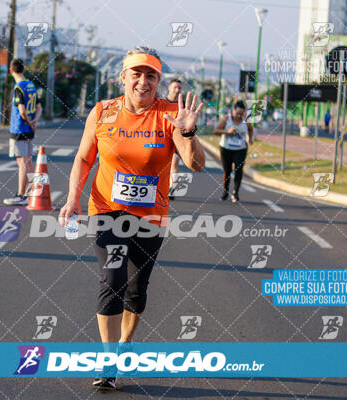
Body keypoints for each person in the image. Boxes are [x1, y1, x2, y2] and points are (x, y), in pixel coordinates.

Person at [58, 46, 205, 390]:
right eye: (136, 74)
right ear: (122, 77)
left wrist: (187, 133)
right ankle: (109, 360)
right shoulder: (104, 111)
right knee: (113, 279)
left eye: (151, 75)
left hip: (151, 215)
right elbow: (83, 158)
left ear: (159, 80)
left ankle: (125, 344)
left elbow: (196, 164)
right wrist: (72, 199)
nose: (143, 81)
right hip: (106, 209)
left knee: (137, 289)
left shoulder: (170, 114)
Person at [3, 58, 43, 206]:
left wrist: (28, 122)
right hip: (30, 129)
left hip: (19, 128)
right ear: (24, 69)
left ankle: (21, 195)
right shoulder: (31, 85)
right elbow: (39, 108)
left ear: (11, 70)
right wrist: (34, 122)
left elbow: (21, 111)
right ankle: (30, 193)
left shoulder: (18, 87)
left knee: (22, 162)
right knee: (28, 161)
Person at [214, 100, 253, 203]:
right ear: (233, 111)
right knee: (227, 171)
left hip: (241, 149)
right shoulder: (227, 119)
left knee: (239, 170)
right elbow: (216, 131)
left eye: (241, 113)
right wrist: (227, 132)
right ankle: (225, 192)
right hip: (226, 148)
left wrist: (251, 138)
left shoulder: (246, 120)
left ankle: (235, 193)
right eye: (237, 113)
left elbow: (250, 129)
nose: (239, 116)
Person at [166, 79, 183, 200]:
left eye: (179, 88)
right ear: (169, 87)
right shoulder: (161, 103)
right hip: (161, 138)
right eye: (175, 87)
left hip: (176, 139)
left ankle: (171, 189)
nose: (177, 90)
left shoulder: (182, 107)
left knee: (174, 162)